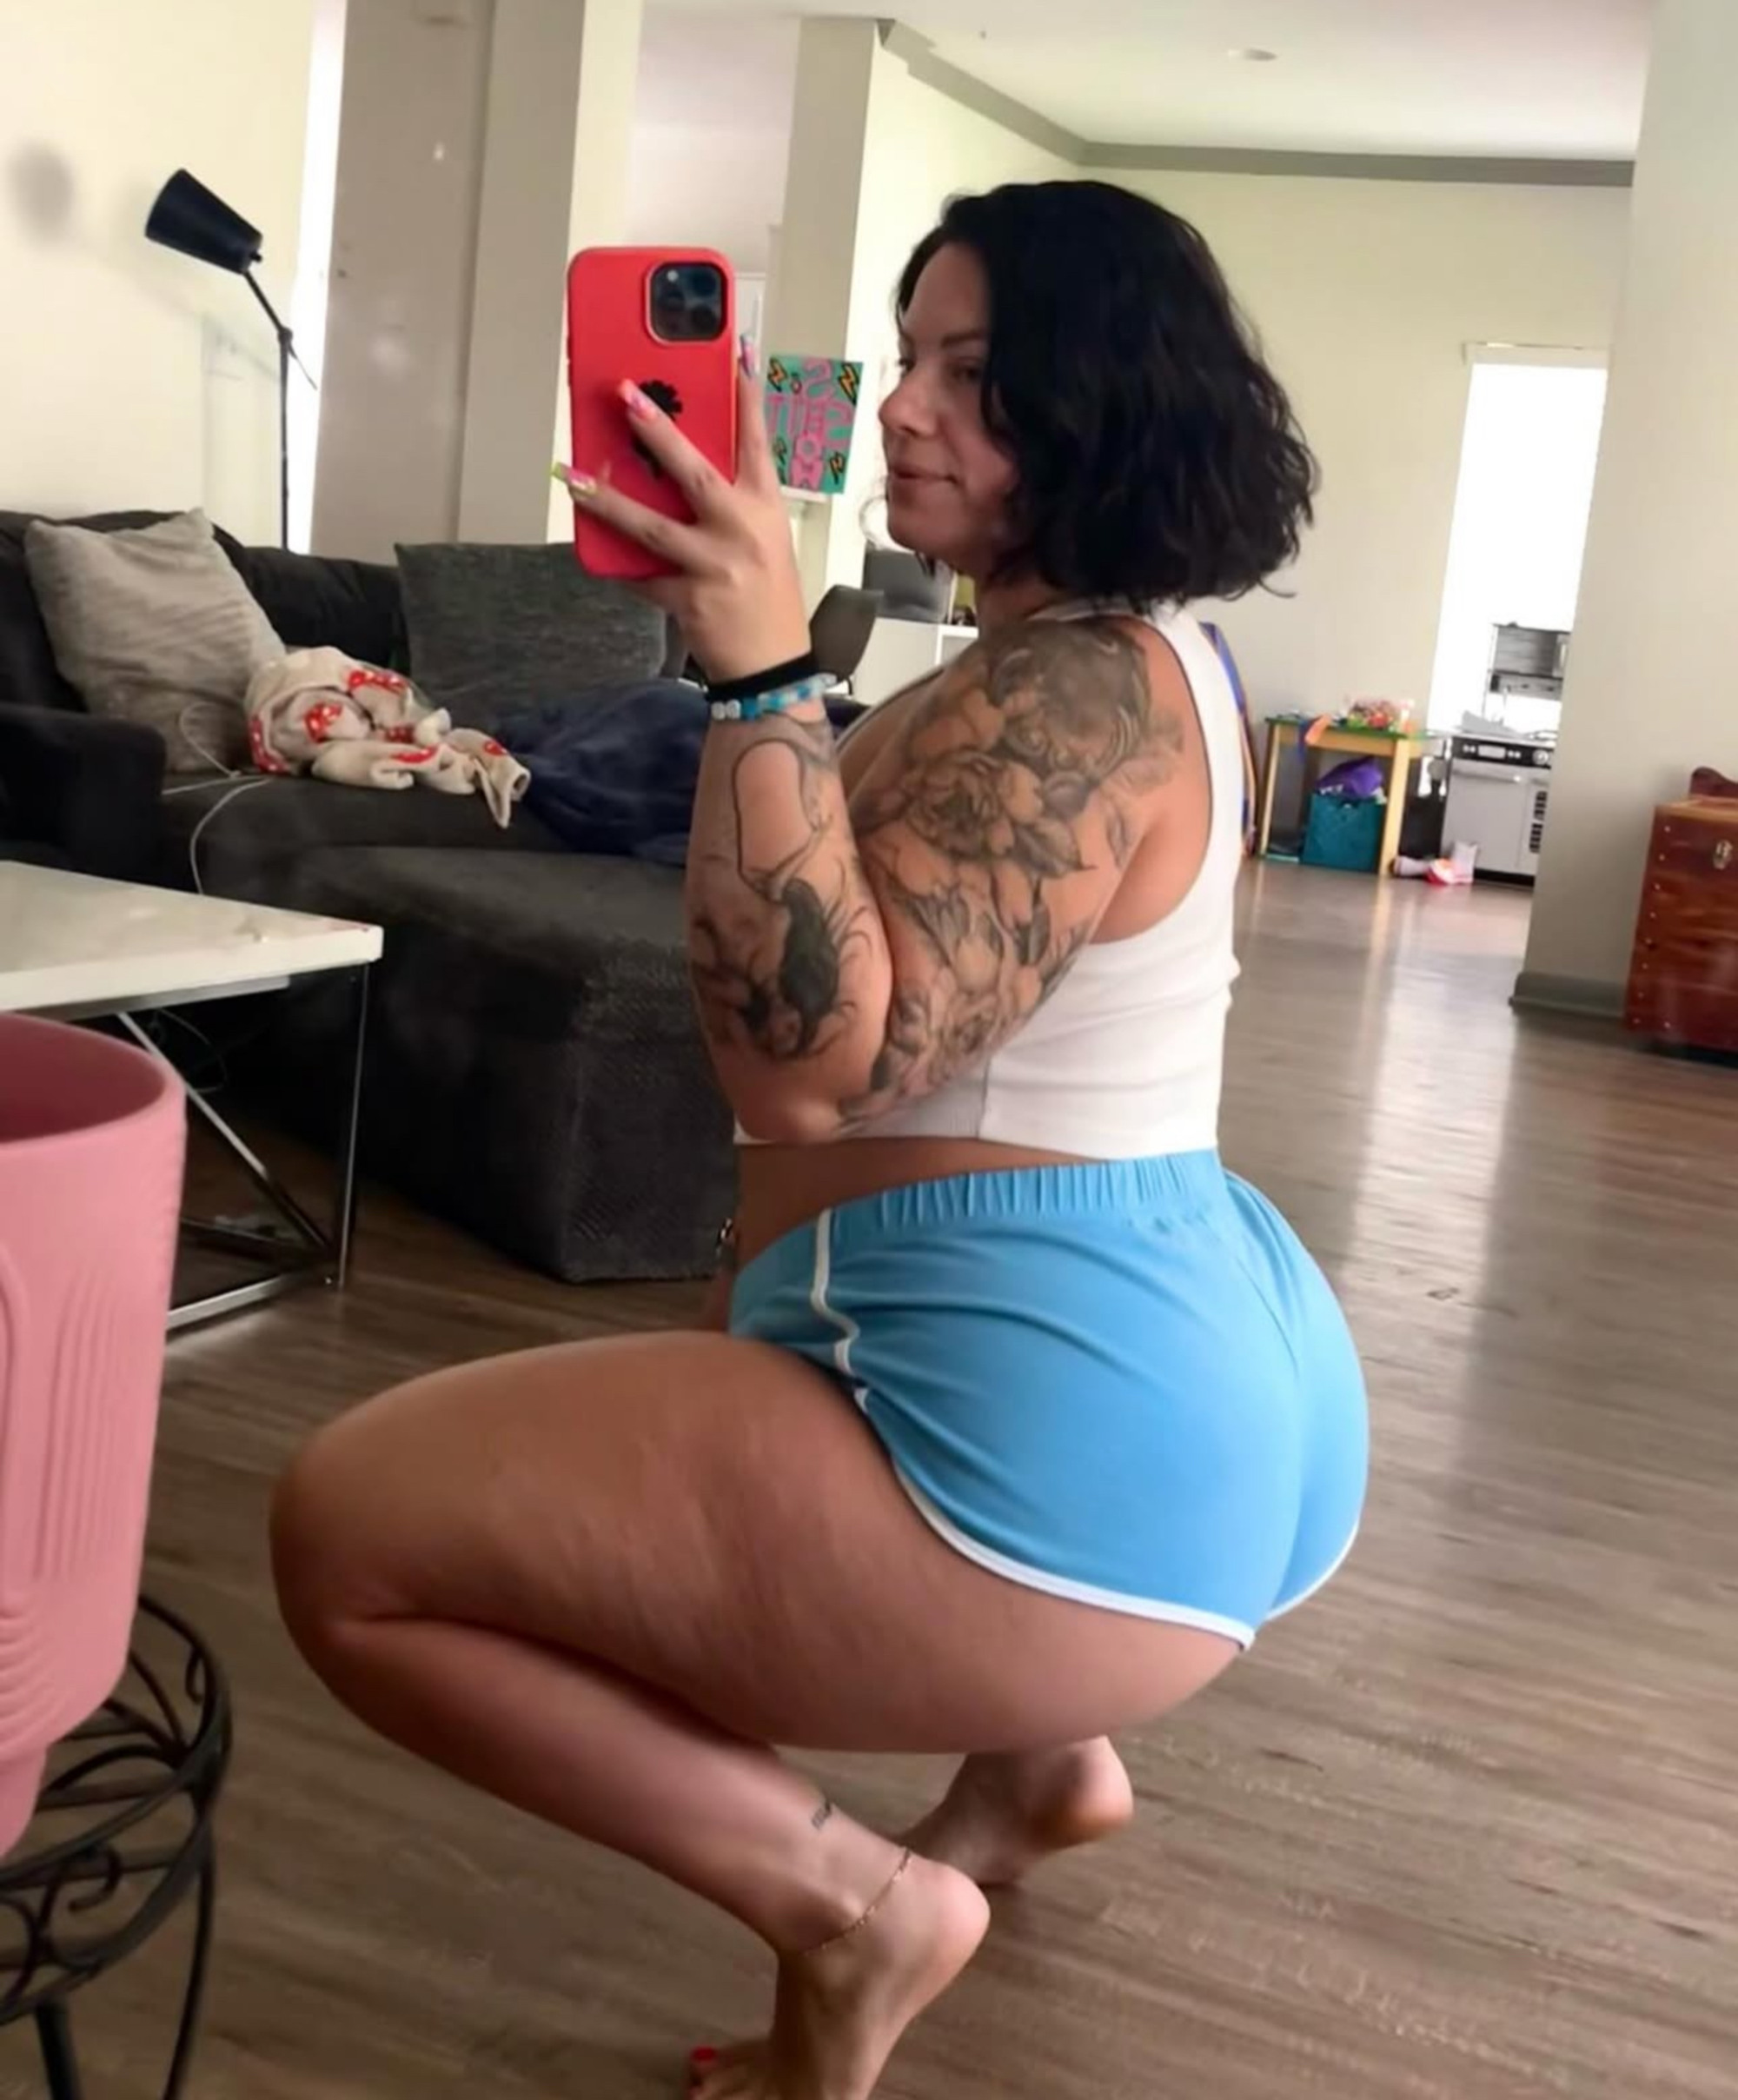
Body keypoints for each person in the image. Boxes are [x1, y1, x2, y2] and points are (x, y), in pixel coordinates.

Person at [272, 180, 1369, 2100]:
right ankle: (1041, 1768)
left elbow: (807, 1072)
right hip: (1189, 1382)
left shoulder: (1074, 692)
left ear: (1106, 401)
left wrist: (765, 679)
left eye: (976, 373)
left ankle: (858, 1908)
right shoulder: (1141, 653)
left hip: (1067, 1463)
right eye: (908, 356)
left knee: (345, 1534)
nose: (903, 409)